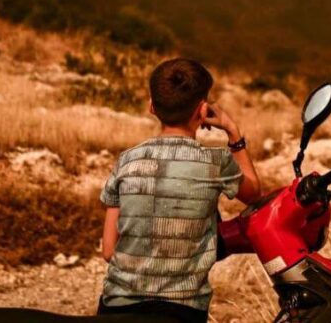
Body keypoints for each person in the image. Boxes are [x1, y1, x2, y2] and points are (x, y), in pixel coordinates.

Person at [97, 58, 262, 323]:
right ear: (202, 110)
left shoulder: (126, 161)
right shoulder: (215, 162)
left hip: (116, 308)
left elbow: (108, 251)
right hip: (182, 311)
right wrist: (233, 133)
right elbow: (254, 194)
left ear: (152, 105)